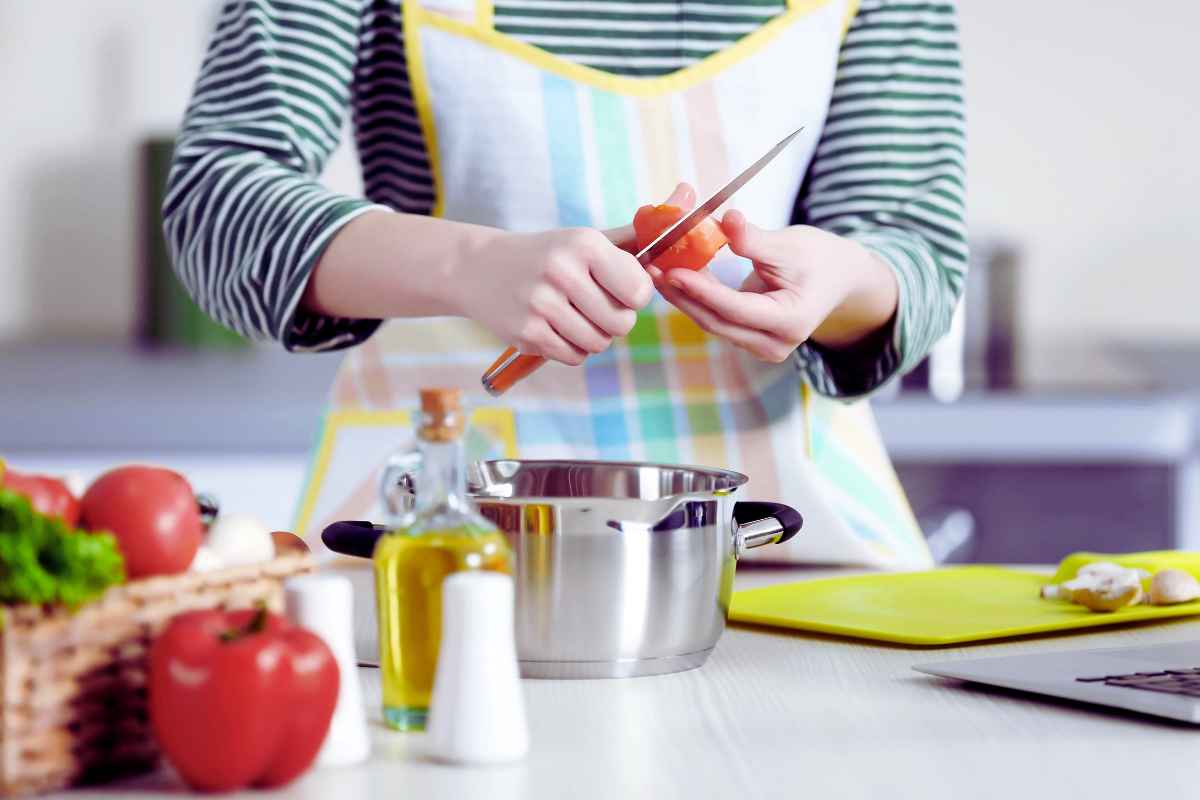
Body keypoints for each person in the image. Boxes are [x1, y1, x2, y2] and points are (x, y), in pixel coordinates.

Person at [166, 0, 966, 567]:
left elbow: (914, 256)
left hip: (774, 544)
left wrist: (842, 283)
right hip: (437, 540)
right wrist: (469, 265)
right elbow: (215, 201)